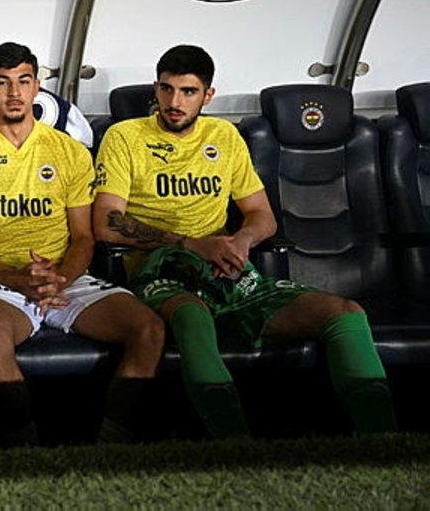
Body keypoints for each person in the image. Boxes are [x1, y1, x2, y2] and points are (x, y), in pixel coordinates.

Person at [93, 44, 397, 437]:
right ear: (156, 89)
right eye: (167, 89)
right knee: (192, 315)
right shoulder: (125, 137)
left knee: (346, 313)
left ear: (208, 95)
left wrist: (241, 242)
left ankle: (384, 445)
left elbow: (262, 217)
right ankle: (236, 449)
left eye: (188, 92)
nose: (175, 102)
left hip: (225, 267)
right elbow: (107, 223)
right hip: (159, 269)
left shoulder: (224, 136)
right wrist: (191, 243)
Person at [0, 42, 164, 445]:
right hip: (0, 282)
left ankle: (111, 448)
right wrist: (19, 279)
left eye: (23, 81)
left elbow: (84, 237)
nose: (14, 92)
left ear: (37, 88)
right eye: (3, 82)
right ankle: (28, 451)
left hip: (66, 279)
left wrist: (57, 279)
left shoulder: (68, 150)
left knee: (148, 328)